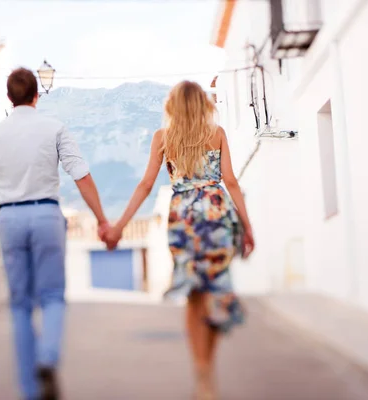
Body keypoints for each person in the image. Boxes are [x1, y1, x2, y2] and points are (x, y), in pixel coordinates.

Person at [101, 81, 254, 399]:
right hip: (216, 214)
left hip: (184, 217)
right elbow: (231, 181)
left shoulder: (163, 138)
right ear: (202, 104)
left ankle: (201, 372)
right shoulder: (218, 133)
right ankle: (208, 371)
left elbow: (145, 185)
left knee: (193, 294)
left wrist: (118, 226)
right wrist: (246, 226)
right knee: (215, 291)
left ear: (172, 106)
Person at [0, 68, 108, 400]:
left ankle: (30, 391)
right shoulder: (55, 128)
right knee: (52, 296)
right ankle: (48, 357)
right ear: (36, 95)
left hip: (11, 218)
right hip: (46, 214)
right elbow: (82, 176)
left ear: (9, 97)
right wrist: (102, 220)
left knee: (19, 305)